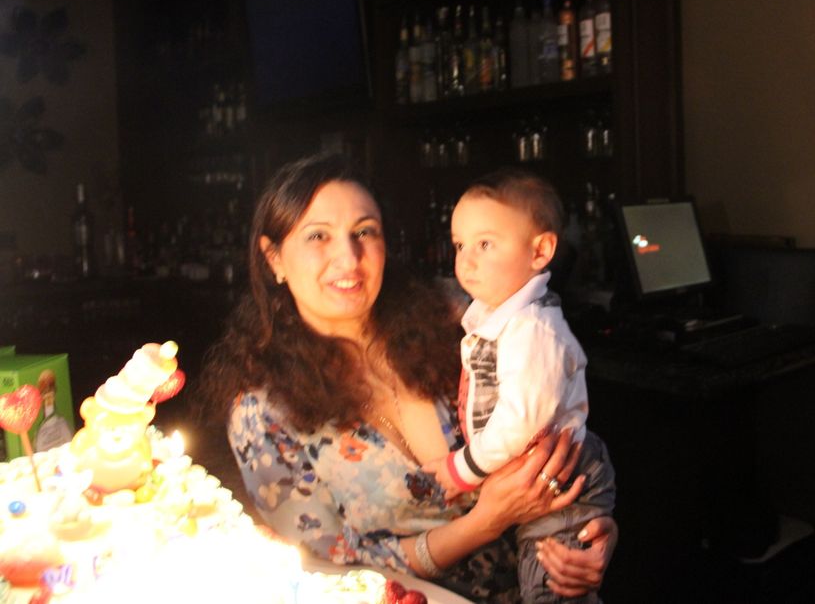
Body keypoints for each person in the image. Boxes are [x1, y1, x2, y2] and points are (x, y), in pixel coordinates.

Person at [200, 152, 616, 602]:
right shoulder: (261, 412)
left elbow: (557, 409)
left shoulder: (461, 316)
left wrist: (590, 530)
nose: (349, 257)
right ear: (274, 258)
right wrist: (484, 523)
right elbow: (328, 560)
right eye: (318, 235)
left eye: (365, 231)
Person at [422, 169, 615, 603]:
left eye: (485, 244)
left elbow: (521, 420)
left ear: (540, 251)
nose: (466, 260)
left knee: (551, 587)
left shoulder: (533, 329)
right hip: (538, 479)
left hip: (561, 479)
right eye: (459, 245)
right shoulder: (495, 316)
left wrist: (461, 469)